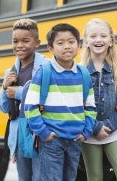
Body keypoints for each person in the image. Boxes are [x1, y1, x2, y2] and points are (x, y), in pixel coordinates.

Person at [24, 23, 97, 181]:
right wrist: (44, 133)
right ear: (50, 48)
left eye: (71, 42)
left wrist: (86, 132)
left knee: (70, 178)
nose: (67, 47)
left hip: (75, 139)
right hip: (52, 139)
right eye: (60, 43)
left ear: (79, 45)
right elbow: (30, 107)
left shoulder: (83, 74)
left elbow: (91, 107)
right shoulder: (45, 72)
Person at [80, 18, 117, 181]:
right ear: (86, 42)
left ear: (111, 41)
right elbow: (76, 104)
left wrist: (109, 125)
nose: (98, 40)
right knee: (95, 176)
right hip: (89, 132)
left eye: (103, 36)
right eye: (93, 36)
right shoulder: (80, 71)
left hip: (113, 130)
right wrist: (96, 127)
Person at [0, 18, 47, 181]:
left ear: (37, 43)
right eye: (15, 41)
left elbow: (46, 96)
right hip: (19, 133)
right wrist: (5, 87)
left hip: (39, 132)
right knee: (24, 177)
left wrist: (19, 92)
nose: (19, 45)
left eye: (25, 41)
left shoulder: (45, 68)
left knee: (40, 176)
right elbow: (4, 108)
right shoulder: (10, 72)